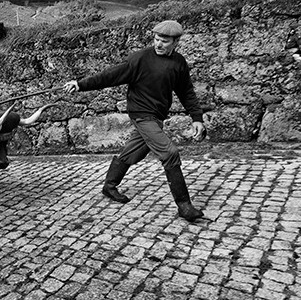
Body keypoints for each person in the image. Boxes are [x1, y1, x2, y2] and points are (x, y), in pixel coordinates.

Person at [63, 20, 207, 222]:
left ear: (176, 42)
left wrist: (196, 118)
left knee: (134, 152)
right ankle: (184, 206)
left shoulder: (179, 63)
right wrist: (79, 84)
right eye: (156, 39)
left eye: (165, 41)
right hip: (141, 114)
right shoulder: (140, 59)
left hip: (156, 117)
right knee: (170, 152)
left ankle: (109, 186)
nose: (158, 44)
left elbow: (186, 92)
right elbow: (110, 76)